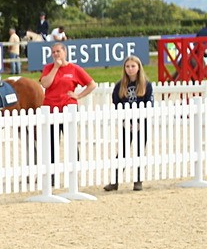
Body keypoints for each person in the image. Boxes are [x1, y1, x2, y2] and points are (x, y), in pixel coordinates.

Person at [40, 42, 97, 180]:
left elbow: (92, 84)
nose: (55, 54)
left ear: (64, 52)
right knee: (51, 142)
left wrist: (78, 95)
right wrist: (56, 68)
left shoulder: (74, 69)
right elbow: (45, 83)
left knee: (70, 141)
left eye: (58, 51)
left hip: (68, 108)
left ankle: (74, 171)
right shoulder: (48, 68)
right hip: (51, 108)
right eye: (53, 52)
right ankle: (51, 175)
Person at [104, 55, 154, 192]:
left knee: (139, 151)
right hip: (126, 124)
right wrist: (125, 121)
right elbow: (116, 104)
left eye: (133, 66)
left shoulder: (146, 85)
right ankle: (114, 181)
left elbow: (149, 104)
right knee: (122, 152)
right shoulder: (120, 86)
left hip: (141, 124)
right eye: (127, 66)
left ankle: (138, 181)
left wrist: (140, 122)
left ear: (138, 68)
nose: (130, 69)